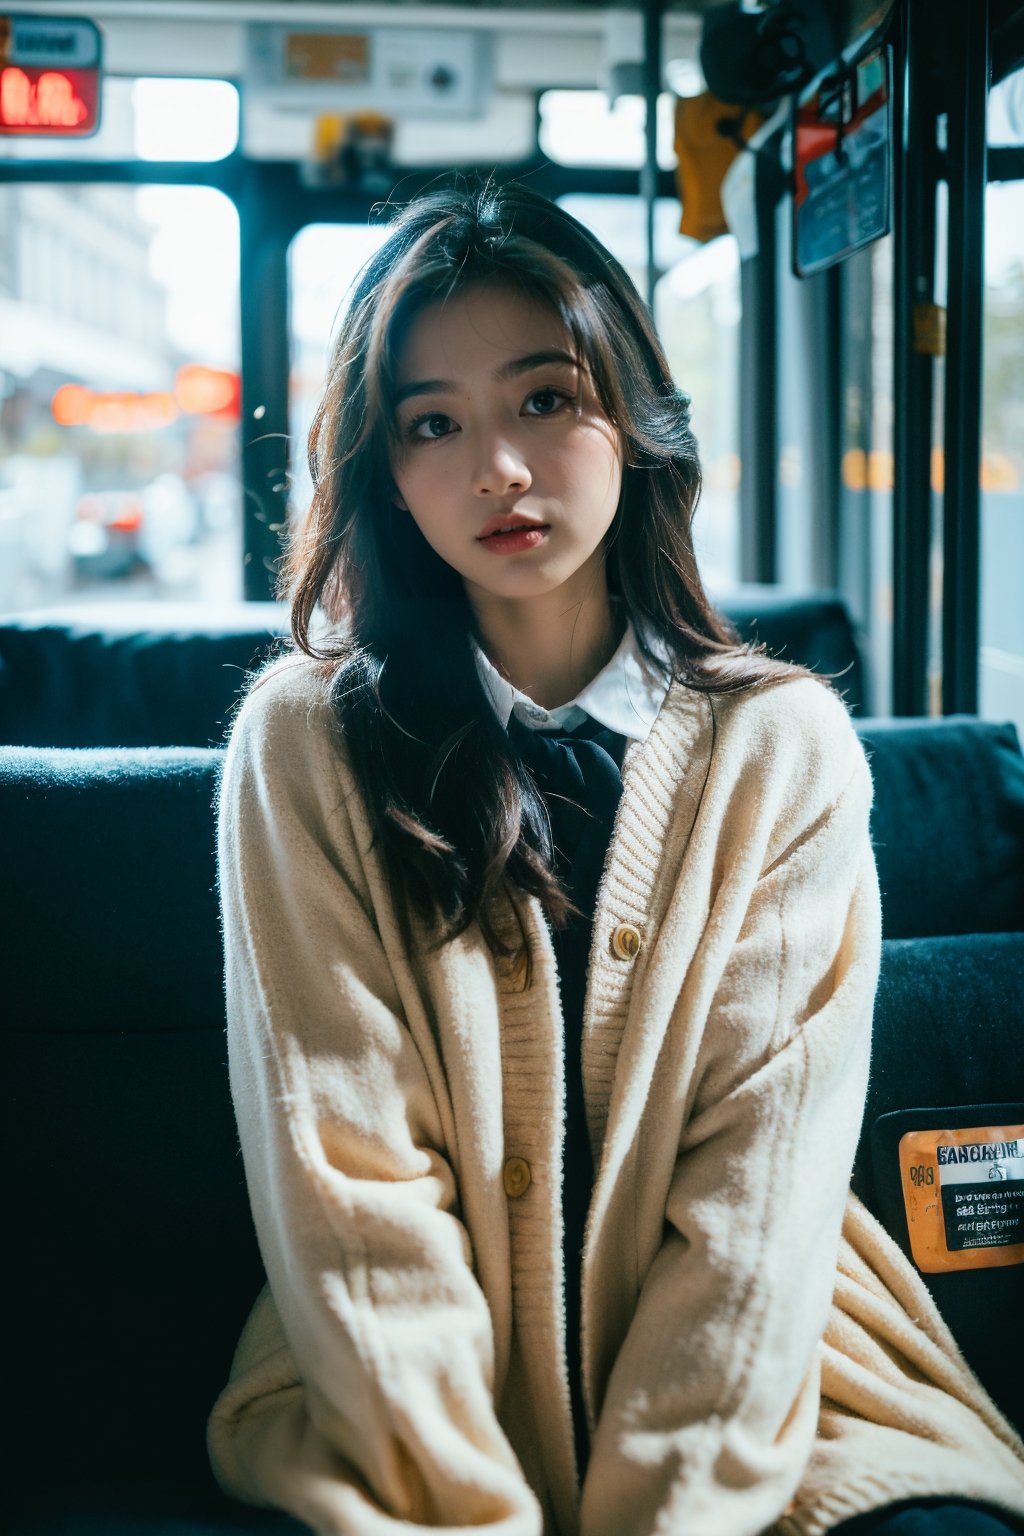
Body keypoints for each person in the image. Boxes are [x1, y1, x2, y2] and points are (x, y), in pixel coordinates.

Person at [207, 182, 1024, 1536]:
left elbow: (758, 1202)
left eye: (543, 398)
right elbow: (350, 1191)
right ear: (385, 471)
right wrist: (465, 1508)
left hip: (782, 1393)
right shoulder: (306, 746)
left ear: (631, 416)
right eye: (433, 424)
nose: (499, 471)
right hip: (401, 1407)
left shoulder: (784, 749)